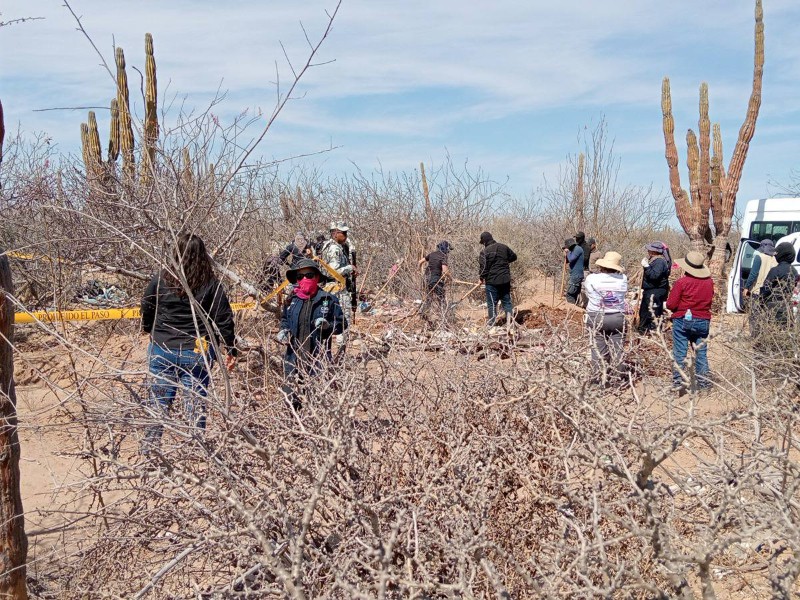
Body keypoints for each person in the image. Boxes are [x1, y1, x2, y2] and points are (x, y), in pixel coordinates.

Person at [140, 233, 238, 454]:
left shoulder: (160, 279)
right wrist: (231, 348)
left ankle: (150, 450)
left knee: (158, 402)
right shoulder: (211, 284)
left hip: (162, 348)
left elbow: (147, 306)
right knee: (194, 404)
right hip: (197, 352)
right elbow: (223, 318)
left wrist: (148, 328)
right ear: (202, 256)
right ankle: (196, 452)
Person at [276, 259, 346, 409]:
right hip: (293, 359)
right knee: (291, 400)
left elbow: (342, 324)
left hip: (317, 361)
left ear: (317, 277)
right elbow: (285, 319)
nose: (304, 279)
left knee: (315, 401)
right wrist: (283, 330)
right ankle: (295, 430)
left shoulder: (328, 300)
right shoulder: (291, 300)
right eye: (300, 277)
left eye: (309, 275)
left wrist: (328, 327)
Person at [666, 251, 714, 393]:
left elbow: (671, 304)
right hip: (703, 320)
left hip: (683, 320)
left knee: (680, 352)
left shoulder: (682, 282)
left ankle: (678, 384)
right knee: (701, 353)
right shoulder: (709, 282)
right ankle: (704, 385)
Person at [584, 251, 628, 385]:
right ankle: (619, 378)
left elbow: (588, 293)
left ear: (602, 266)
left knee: (598, 349)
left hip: (596, 316)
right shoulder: (623, 279)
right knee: (617, 348)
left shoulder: (592, 279)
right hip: (617, 317)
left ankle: (599, 379)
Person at [755, 241, 799, 351]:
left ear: (781, 255)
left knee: (771, 337)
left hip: (773, 308)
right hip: (788, 308)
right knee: (785, 335)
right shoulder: (794, 271)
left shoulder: (776, 270)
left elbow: (765, 289)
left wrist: (760, 303)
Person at [321, 221, 355, 347]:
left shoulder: (330, 246)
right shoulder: (334, 248)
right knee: (343, 321)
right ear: (335, 233)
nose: (345, 235)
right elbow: (333, 272)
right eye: (343, 233)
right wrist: (349, 268)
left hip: (331, 289)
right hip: (337, 289)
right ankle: (341, 351)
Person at [478, 232, 517, 328]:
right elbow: (514, 257)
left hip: (492, 282)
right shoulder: (503, 247)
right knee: (506, 302)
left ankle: (492, 324)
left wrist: (481, 278)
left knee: (492, 304)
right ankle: (510, 323)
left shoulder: (484, 252)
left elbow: (483, 269)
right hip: (505, 279)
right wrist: (504, 262)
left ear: (484, 242)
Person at [744, 238, 778, 340]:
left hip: (757, 290)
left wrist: (746, 287)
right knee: (766, 314)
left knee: (754, 314)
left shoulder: (759, 257)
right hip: (770, 292)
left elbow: (753, 274)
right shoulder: (775, 259)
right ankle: (764, 336)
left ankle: (754, 336)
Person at [638, 241, 672, 334]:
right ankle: (643, 331)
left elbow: (654, 276)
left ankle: (652, 332)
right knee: (644, 312)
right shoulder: (655, 260)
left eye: (649, 250)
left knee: (653, 313)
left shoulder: (660, 261)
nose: (648, 251)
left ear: (653, 251)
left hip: (655, 291)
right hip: (650, 290)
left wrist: (647, 266)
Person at [419, 240, 451, 324]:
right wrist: (450, 278)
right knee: (442, 298)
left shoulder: (431, 254)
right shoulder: (443, 256)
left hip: (426, 279)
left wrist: (420, 271)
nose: (448, 251)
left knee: (428, 298)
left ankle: (423, 315)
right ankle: (443, 317)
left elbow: (420, 262)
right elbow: (445, 271)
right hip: (435, 280)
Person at [563, 238, 584, 305]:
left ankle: (572, 310)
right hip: (574, 275)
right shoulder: (573, 250)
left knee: (570, 295)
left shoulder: (577, 249)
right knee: (574, 295)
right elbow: (568, 260)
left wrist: (567, 252)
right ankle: (575, 309)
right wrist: (566, 254)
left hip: (576, 275)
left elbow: (571, 259)